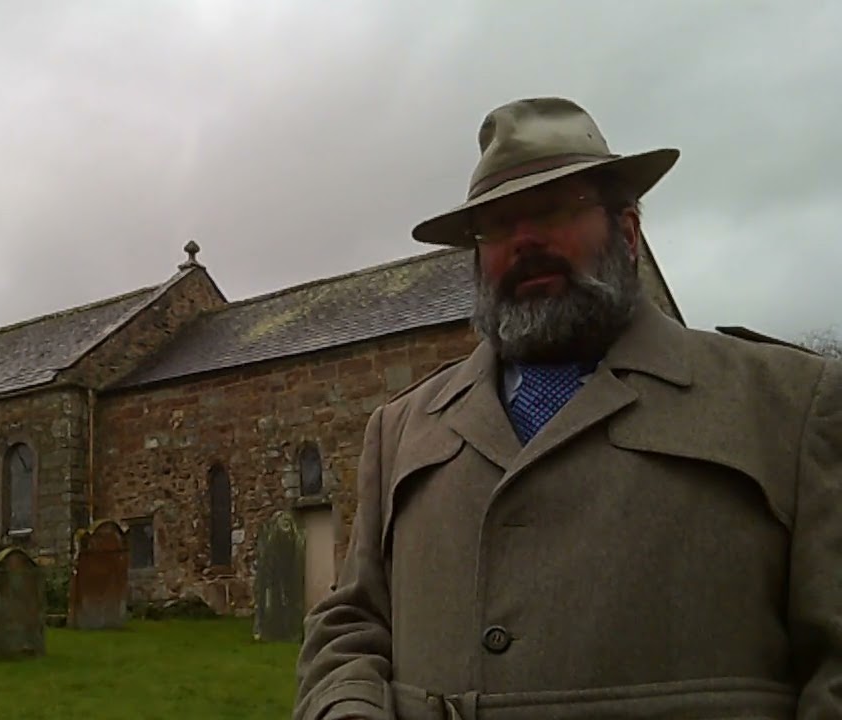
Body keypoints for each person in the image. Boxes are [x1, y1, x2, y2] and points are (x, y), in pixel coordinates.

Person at [293, 96, 842, 719]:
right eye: (496, 226)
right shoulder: (400, 429)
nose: (524, 241)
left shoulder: (793, 405)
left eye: (555, 209)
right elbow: (352, 623)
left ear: (628, 231)